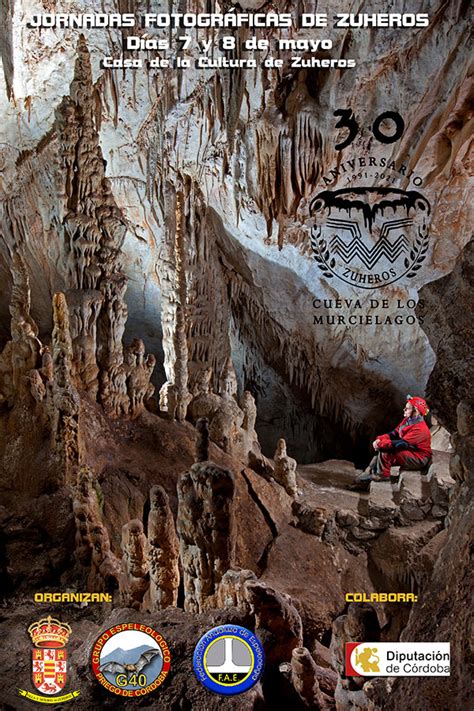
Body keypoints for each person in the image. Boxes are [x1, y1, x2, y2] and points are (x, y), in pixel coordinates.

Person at [358, 396, 432, 482]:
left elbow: (401, 444)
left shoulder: (420, 429)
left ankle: (382, 475)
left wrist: (381, 444)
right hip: (409, 451)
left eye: (407, 408)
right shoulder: (407, 420)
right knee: (378, 456)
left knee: (386, 452)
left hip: (418, 458)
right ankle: (368, 472)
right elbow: (395, 433)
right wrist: (380, 439)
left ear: (416, 411)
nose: (404, 409)